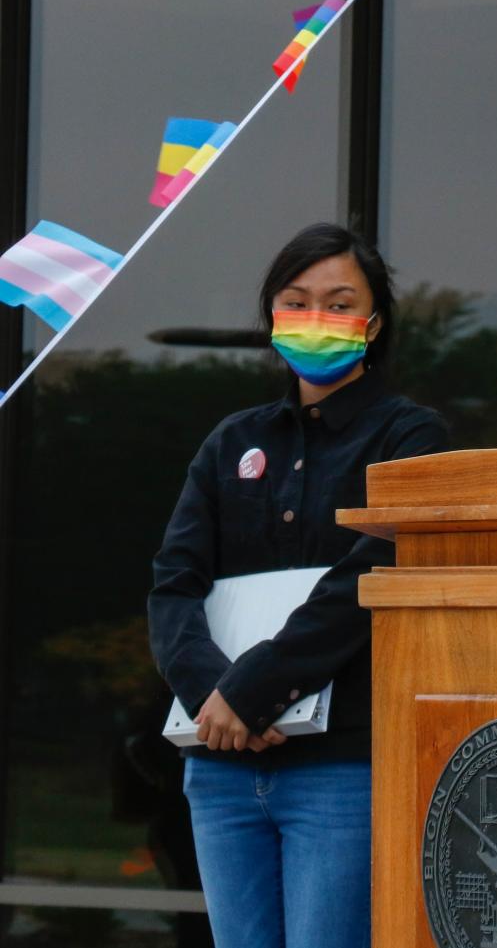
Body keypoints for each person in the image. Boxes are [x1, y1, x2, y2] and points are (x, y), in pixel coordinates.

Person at [148, 223, 448, 948]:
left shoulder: (412, 439)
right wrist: (213, 696)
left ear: (372, 325)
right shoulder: (231, 441)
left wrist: (253, 691)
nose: (317, 316)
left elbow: (368, 575)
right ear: (272, 315)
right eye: (296, 300)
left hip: (340, 769)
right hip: (219, 768)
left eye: (340, 302)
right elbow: (173, 584)